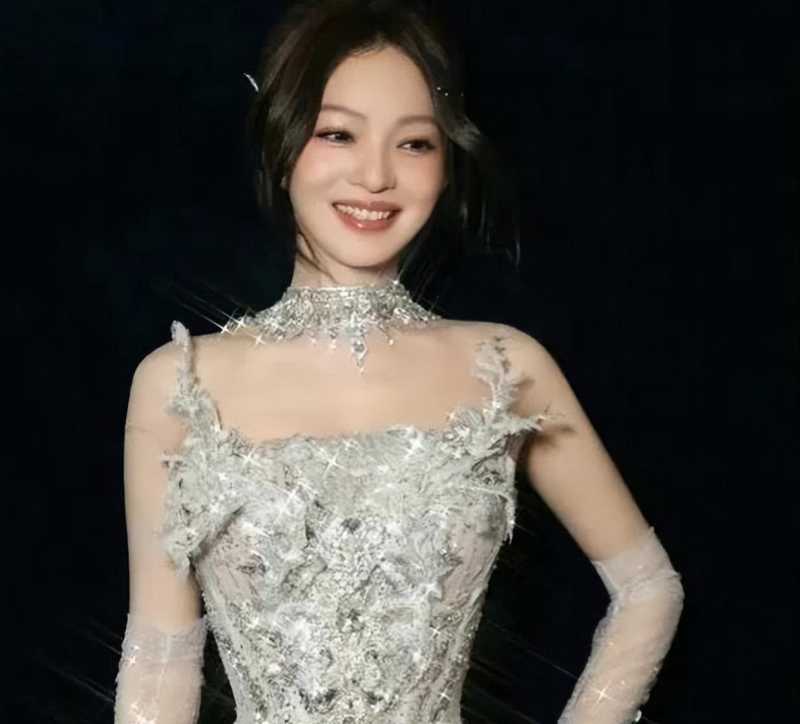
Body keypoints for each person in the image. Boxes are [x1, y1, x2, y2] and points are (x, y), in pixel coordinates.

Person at [113, 1, 684, 722]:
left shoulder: (505, 368)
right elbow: (162, 662)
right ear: (282, 144)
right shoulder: (180, 383)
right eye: (338, 133)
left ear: (446, 164)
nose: (376, 175)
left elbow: (648, 589)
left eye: (414, 143)